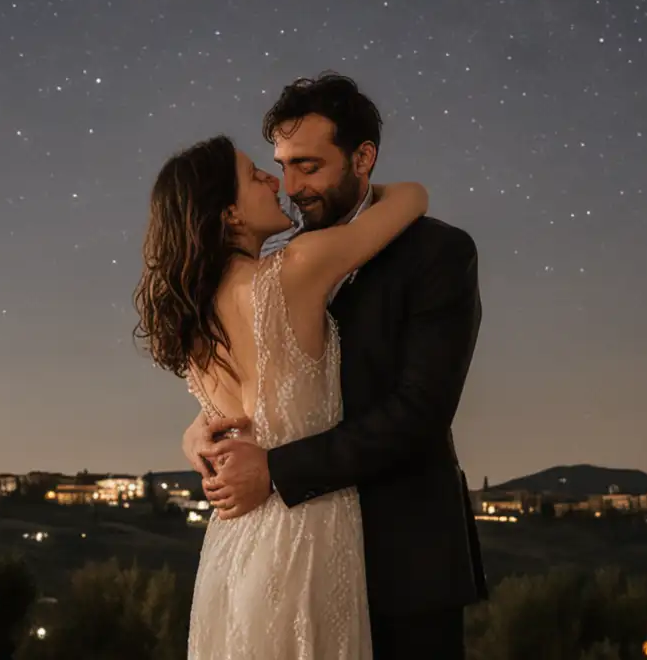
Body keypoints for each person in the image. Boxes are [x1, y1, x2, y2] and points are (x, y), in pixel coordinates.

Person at [183, 73, 487, 659]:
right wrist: (203, 425)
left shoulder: (439, 254)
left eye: (310, 166)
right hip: (291, 560)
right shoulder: (274, 268)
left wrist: (274, 470)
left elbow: (418, 411)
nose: (291, 187)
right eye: (282, 165)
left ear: (363, 158)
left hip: (404, 565)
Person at [133, 129, 430, 658]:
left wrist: (191, 436)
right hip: (305, 535)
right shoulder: (297, 268)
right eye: (255, 175)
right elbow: (412, 197)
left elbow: (228, 418)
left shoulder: (194, 321)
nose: (277, 181)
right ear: (229, 214)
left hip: (233, 545)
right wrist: (357, 175)